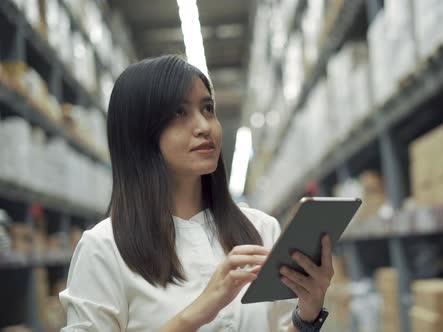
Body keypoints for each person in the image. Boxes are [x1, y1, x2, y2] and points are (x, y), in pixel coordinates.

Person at [59, 55, 334, 331]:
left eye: (207, 108)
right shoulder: (104, 248)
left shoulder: (262, 230)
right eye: (180, 113)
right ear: (139, 131)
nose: (205, 127)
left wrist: (306, 316)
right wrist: (197, 312)